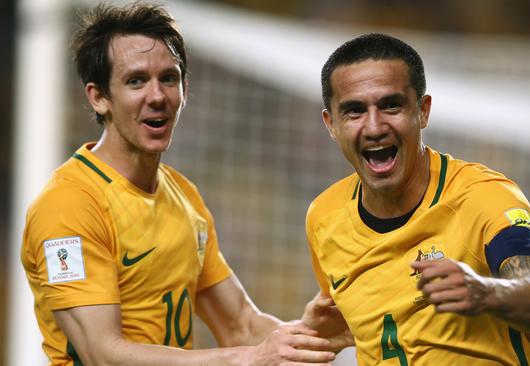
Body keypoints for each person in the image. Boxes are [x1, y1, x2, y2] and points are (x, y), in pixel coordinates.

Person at [20, 2, 343, 365]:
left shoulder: (184, 196)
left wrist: (315, 334)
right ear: (99, 97)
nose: (157, 96)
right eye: (136, 81)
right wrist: (246, 359)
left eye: (169, 78)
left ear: (184, 89)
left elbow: (240, 324)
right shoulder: (70, 205)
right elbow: (102, 355)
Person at [306, 33, 530, 365]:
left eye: (391, 106)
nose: (374, 127)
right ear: (331, 124)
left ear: (423, 111)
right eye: (354, 111)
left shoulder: (483, 197)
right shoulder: (323, 217)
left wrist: (487, 292)